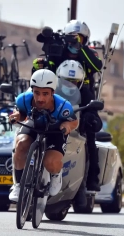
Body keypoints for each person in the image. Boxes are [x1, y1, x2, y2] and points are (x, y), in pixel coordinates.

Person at [32, 20, 103, 206]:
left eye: (79, 38)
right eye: (72, 38)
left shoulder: (89, 53)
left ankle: (90, 179)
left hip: (83, 96)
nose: (74, 42)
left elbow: (97, 65)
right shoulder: (59, 50)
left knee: (90, 130)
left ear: (85, 39)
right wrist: (39, 64)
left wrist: (80, 47)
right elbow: (43, 66)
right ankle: (33, 171)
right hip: (56, 95)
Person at [8, 69, 79, 203]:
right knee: (21, 145)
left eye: (45, 94)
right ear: (32, 90)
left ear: (53, 92)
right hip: (34, 125)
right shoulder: (23, 99)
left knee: (50, 162)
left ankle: (56, 175)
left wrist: (67, 126)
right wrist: (16, 116)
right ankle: (18, 185)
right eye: (37, 93)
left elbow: (74, 121)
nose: (40, 98)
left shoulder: (63, 105)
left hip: (55, 130)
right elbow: (20, 113)